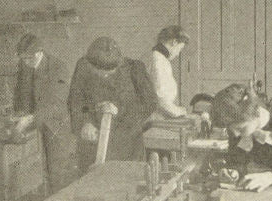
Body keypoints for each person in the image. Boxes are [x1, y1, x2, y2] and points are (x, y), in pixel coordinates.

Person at [68, 36, 156, 166]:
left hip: (127, 144)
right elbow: (75, 100)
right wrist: (85, 121)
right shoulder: (82, 66)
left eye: (110, 72)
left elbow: (150, 103)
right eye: (99, 71)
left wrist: (119, 110)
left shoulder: (135, 69)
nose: (105, 75)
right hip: (92, 145)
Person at [13, 32, 76, 192]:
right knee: (33, 175)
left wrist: (30, 118)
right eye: (23, 59)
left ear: (39, 52)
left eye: (29, 58)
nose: (26, 62)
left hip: (56, 127)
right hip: (34, 125)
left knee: (57, 176)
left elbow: (56, 103)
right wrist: (20, 112)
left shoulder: (58, 67)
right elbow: (21, 93)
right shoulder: (25, 65)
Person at [147, 25, 191, 119]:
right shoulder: (158, 60)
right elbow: (160, 98)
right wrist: (179, 111)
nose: (178, 54)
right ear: (174, 42)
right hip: (155, 117)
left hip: (161, 114)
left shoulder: (159, 58)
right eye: (180, 49)